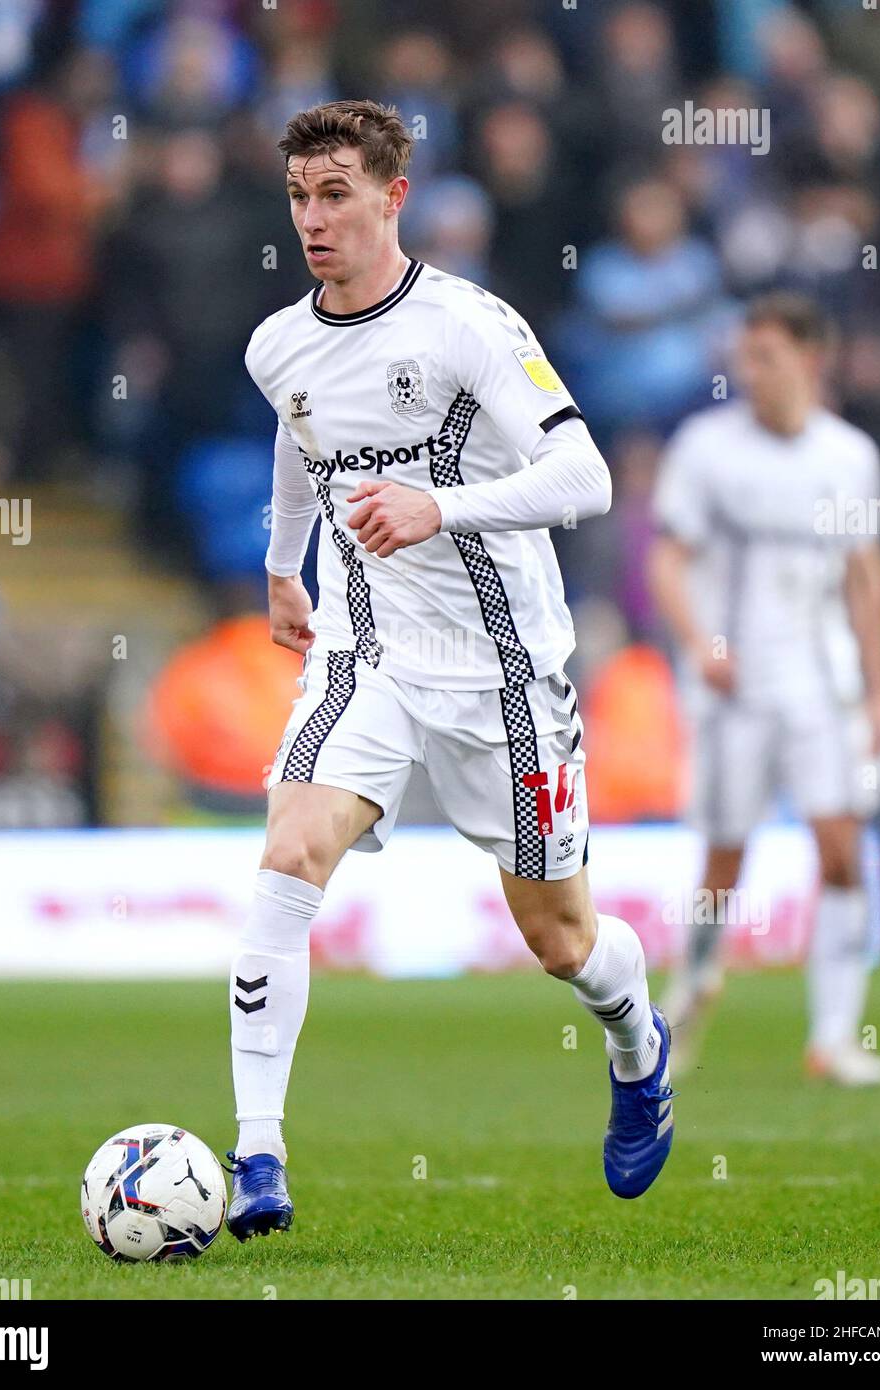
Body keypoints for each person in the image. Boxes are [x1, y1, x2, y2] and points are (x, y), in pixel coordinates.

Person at [225, 99, 676, 1239]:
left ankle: (636, 1039)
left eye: (334, 196)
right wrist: (286, 564)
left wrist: (440, 507)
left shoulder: (469, 325)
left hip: (505, 675)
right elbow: (299, 426)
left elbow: (587, 480)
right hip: (364, 654)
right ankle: (257, 1153)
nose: (313, 220)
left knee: (560, 941)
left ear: (393, 197)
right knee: (288, 851)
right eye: (297, 198)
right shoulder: (277, 341)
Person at [648, 292, 880, 1086]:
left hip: (822, 684)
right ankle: (686, 998)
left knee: (839, 849)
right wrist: (699, 644)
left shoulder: (848, 455)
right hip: (734, 686)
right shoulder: (705, 447)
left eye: (763, 355)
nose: (747, 370)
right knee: (723, 863)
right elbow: (667, 558)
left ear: (809, 359)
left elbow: (867, 577)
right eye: (743, 355)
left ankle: (831, 1039)